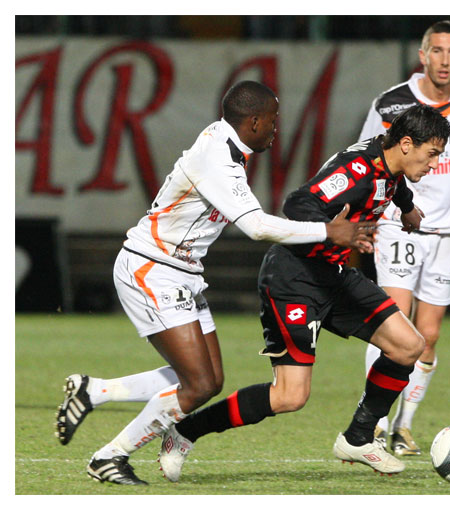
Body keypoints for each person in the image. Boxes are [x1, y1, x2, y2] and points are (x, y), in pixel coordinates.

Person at [55, 80, 375, 485]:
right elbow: (257, 227)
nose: (276, 128)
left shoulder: (225, 144)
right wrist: (327, 232)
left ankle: (94, 392)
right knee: (198, 383)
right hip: (152, 268)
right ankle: (110, 455)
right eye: (272, 120)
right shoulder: (218, 158)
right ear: (253, 121)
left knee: (208, 381)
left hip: (182, 272)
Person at [156, 103, 450, 482]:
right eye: (432, 154)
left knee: (409, 346)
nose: (435, 164)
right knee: (290, 397)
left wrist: (407, 207)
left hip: (333, 275)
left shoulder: (388, 160)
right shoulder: (356, 171)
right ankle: (184, 432)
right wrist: (332, 232)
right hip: (293, 279)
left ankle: (358, 438)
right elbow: (297, 203)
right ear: (407, 144)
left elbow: (391, 184)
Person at [359, 20, 450, 456]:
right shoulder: (391, 103)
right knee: (394, 324)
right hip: (398, 225)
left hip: (449, 232)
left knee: (429, 334)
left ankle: (403, 425)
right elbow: (368, 157)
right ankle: (373, 422)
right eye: (437, 51)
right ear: (423, 55)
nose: (444, 60)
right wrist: (368, 215)